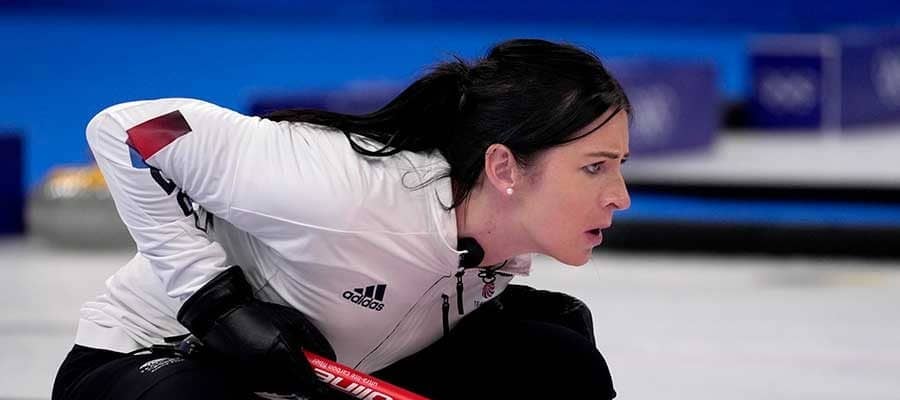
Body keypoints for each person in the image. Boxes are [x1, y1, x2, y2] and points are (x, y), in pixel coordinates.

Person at [51, 38, 631, 400]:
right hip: (150, 360)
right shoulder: (339, 191)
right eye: (595, 167)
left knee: (558, 365)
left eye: (619, 166)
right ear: (503, 167)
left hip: (317, 382)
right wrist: (211, 301)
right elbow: (130, 130)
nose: (620, 197)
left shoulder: (495, 246)